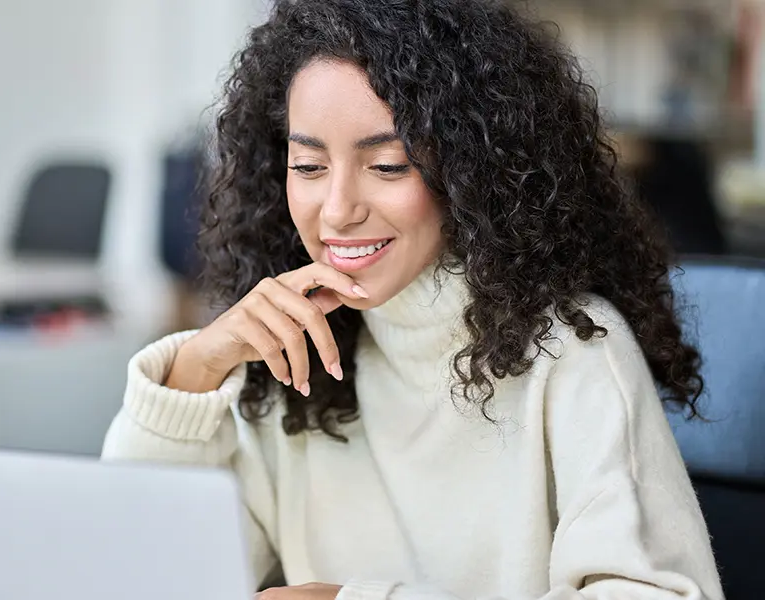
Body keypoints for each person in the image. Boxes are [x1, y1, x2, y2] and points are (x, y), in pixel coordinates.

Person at [101, 1, 723, 598]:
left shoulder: (574, 350)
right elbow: (141, 576)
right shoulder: (292, 355)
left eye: (390, 165)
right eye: (309, 166)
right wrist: (194, 374)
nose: (338, 211)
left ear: (472, 166)